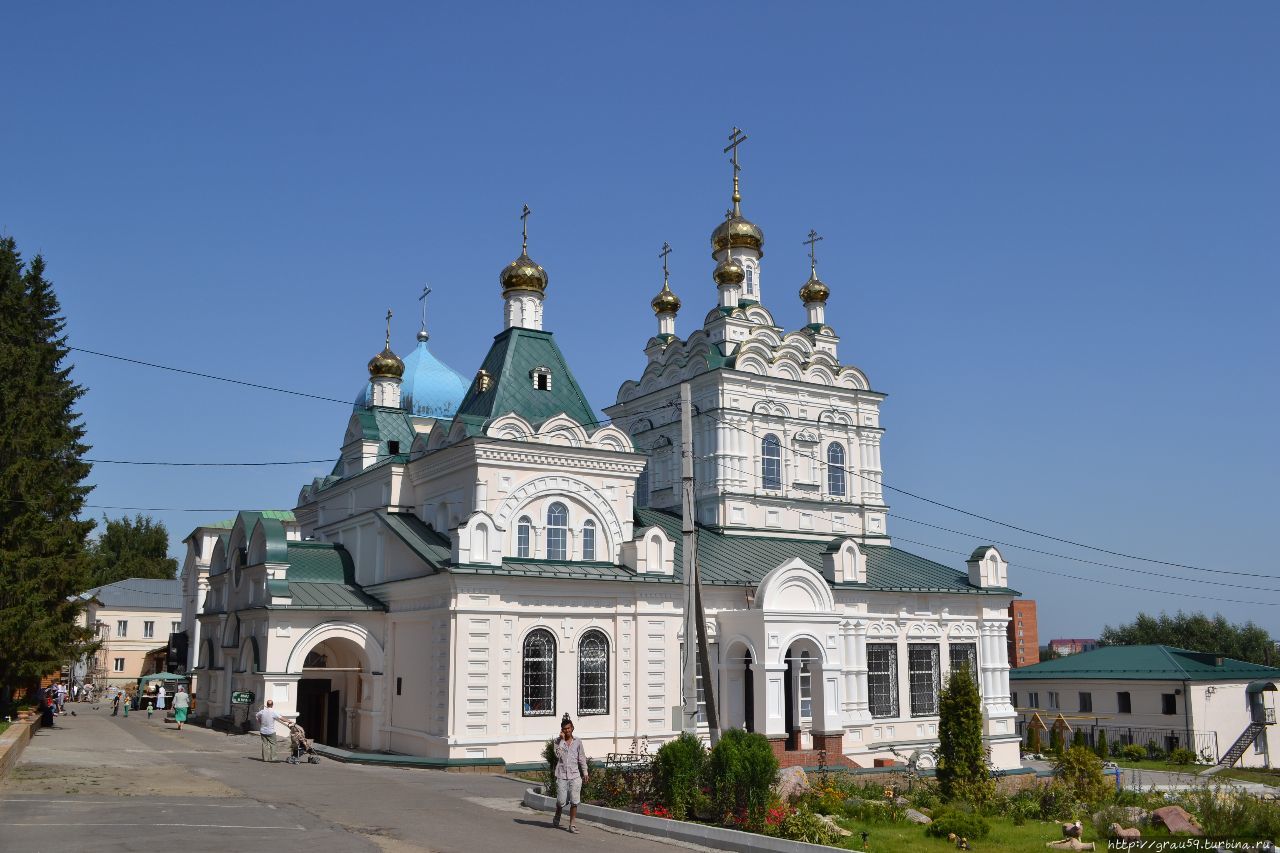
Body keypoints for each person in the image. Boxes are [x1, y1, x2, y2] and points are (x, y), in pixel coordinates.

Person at [551, 713, 589, 834]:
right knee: (561, 801)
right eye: (564, 729)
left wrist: (585, 772)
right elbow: (558, 755)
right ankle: (558, 814)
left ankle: (572, 824)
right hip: (562, 775)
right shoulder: (557, 742)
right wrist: (562, 741)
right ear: (562, 730)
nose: (567, 731)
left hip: (575, 775)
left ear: (572, 728)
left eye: (569, 728)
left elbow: (582, 758)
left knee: (574, 801)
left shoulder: (578, 742)